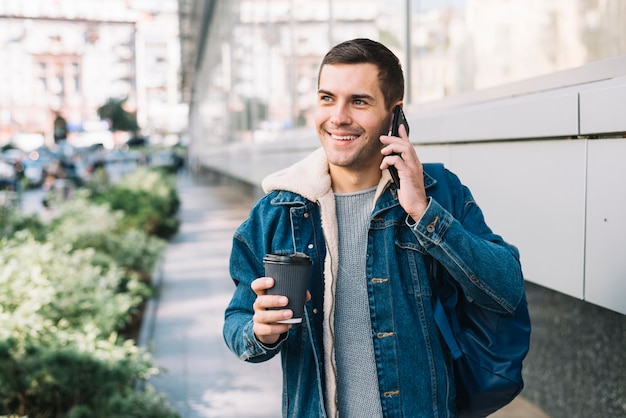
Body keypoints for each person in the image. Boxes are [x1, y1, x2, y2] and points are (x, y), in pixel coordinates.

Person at [223, 38, 525, 418]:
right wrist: (259, 332)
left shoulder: (439, 192)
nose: (338, 117)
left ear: (394, 115)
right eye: (327, 98)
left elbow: (506, 290)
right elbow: (236, 320)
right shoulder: (276, 212)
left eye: (359, 101)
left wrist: (423, 212)